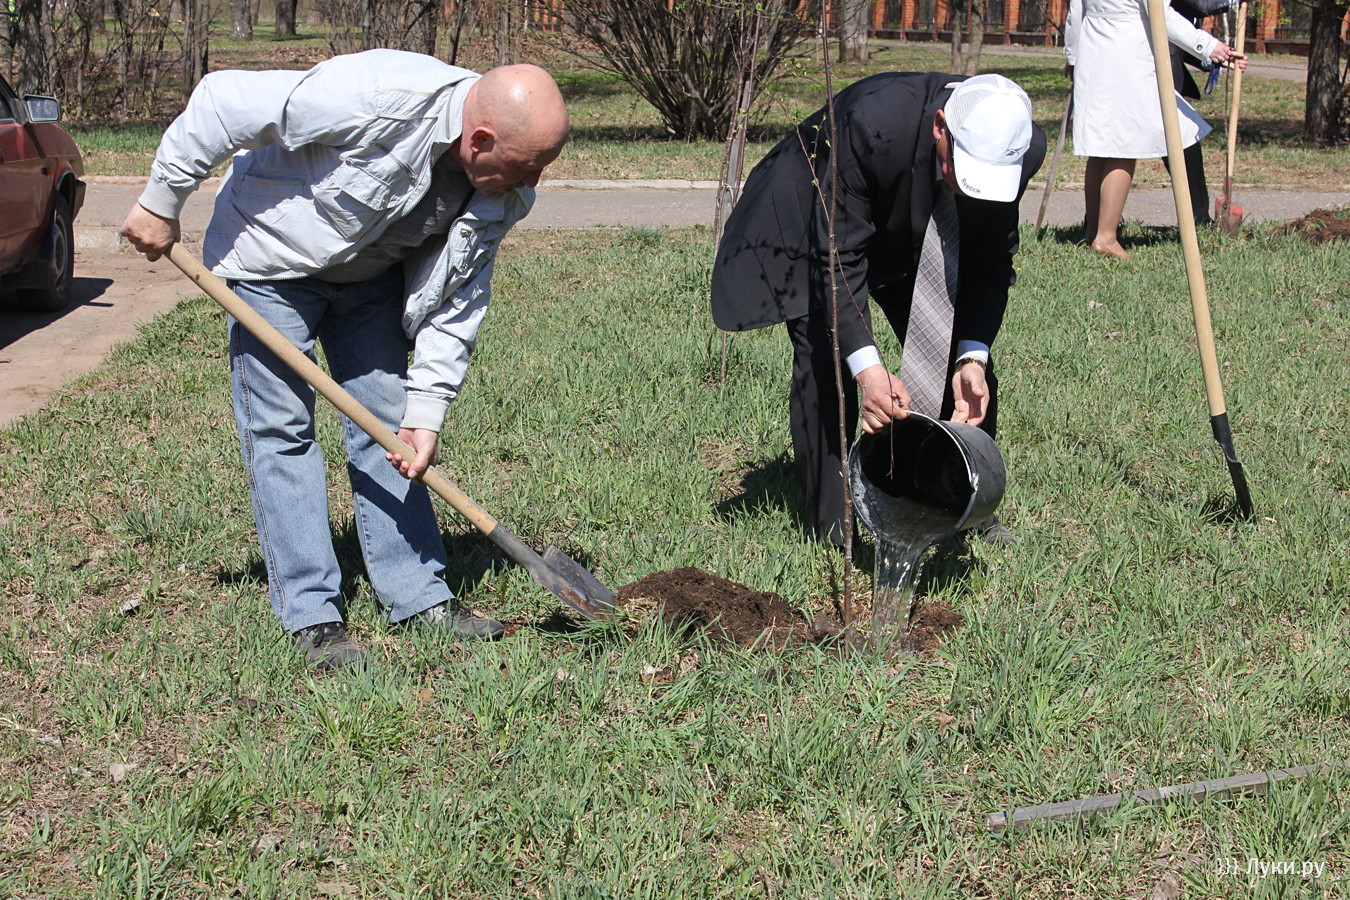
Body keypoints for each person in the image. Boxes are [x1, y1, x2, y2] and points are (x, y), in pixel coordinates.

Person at [121, 50, 570, 670]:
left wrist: (427, 413)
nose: (532, 183)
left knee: (389, 428)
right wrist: (160, 199)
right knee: (282, 431)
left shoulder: (506, 190)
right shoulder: (375, 95)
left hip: (371, 278)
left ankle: (418, 597)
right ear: (481, 139)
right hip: (272, 263)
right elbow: (223, 102)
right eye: (526, 167)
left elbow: (458, 300)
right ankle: (313, 615)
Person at [711, 73, 1046, 548]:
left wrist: (973, 356)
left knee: (966, 367)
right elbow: (839, 258)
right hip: (817, 215)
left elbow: (989, 261)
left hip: (911, 222)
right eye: (963, 169)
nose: (971, 190)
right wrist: (868, 370)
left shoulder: (1022, 147)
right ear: (940, 127)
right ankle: (835, 528)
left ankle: (961, 501)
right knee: (827, 356)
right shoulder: (872, 123)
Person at [1065, 0, 1245, 258]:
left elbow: (1076, 10)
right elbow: (1162, 15)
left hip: (1093, 48)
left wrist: (1073, 56)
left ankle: (1094, 231)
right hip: (1128, 52)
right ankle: (1105, 238)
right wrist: (1210, 47)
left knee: (1102, 148)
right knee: (1122, 147)